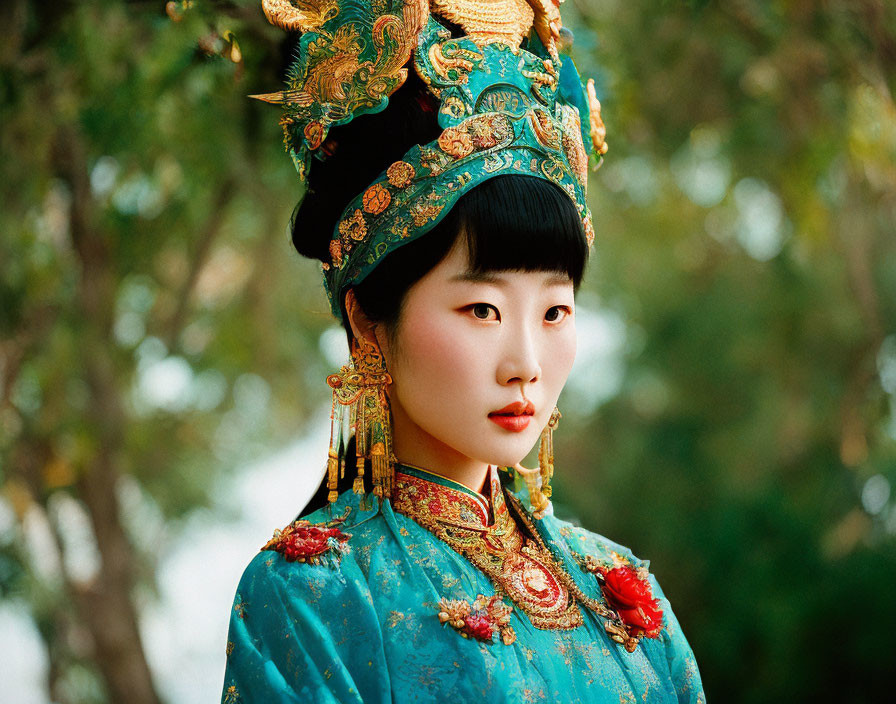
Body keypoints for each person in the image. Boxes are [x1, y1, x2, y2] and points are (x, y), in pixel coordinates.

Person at [223, 1, 704, 702]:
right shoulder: (315, 595)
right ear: (366, 321)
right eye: (482, 308)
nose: (526, 362)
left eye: (555, 311)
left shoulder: (620, 590)